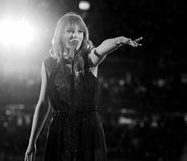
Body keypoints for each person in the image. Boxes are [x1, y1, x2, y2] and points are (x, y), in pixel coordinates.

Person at [24, 12, 142, 161]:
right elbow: (43, 104)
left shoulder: (89, 58)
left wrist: (119, 40)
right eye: (70, 31)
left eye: (80, 31)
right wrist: (32, 142)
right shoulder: (49, 64)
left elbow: (103, 47)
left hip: (88, 131)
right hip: (59, 131)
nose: (76, 35)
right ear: (60, 35)